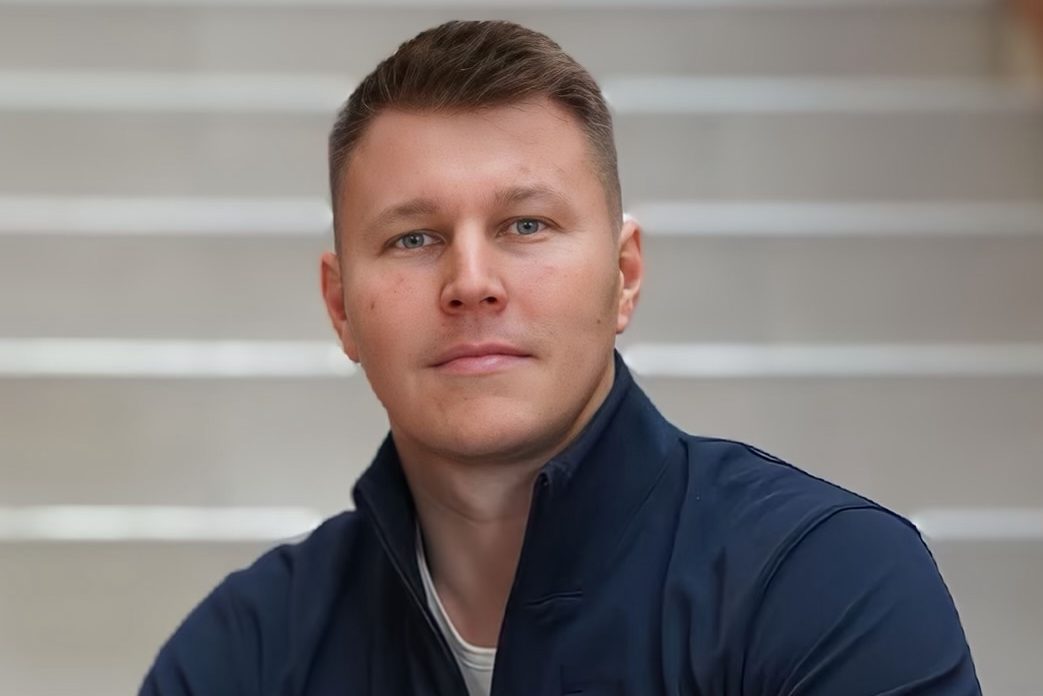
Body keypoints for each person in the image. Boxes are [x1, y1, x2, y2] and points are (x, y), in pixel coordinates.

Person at [140, 20, 981, 696]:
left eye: (526, 225)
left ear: (624, 275)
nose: (471, 283)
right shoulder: (247, 651)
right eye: (414, 238)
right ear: (339, 307)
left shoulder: (824, 582)